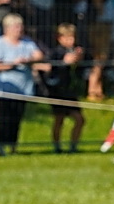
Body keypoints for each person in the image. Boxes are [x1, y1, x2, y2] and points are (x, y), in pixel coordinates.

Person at [0, 14, 42, 154]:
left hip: (23, 89)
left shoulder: (27, 42)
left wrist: (28, 59)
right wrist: (12, 64)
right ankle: (0, 145)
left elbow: (39, 55)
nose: (20, 29)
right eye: (16, 26)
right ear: (7, 28)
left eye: (21, 26)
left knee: (17, 119)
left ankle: (13, 146)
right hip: (5, 90)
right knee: (4, 119)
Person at [37, 23, 87, 153]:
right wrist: (64, 63)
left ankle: (73, 145)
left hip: (70, 91)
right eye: (68, 38)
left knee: (79, 119)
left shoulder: (75, 51)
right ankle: (57, 146)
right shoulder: (55, 53)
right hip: (58, 91)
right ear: (60, 38)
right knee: (59, 119)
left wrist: (79, 60)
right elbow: (51, 71)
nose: (72, 41)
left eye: (73, 37)